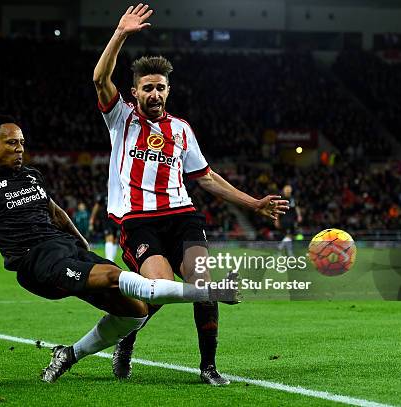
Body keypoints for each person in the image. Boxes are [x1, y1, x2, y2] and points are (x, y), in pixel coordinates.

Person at [0, 116, 229, 383]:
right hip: (35, 260)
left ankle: (68, 354)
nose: (20, 148)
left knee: (136, 311)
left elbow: (56, 213)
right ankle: (206, 291)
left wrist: (82, 247)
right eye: (12, 143)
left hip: (66, 249)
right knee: (115, 276)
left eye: (22, 143)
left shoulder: (32, 176)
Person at [93, 4, 289, 385]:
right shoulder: (121, 118)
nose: (154, 93)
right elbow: (100, 77)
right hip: (138, 222)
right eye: (147, 87)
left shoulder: (182, 130)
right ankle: (127, 338)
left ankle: (208, 367)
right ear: (135, 91)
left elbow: (208, 178)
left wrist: (255, 203)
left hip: (183, 216)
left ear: (168, 90)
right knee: (161, 289)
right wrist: (119, 34)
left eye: (160, 87)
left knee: (202, 282)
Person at [90, 193, 119, 261]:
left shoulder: (118, 193)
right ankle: (109, 260)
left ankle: (112, 260)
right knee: (109, 237)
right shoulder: (104, 194)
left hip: (117, 219)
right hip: (107, 219)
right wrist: (92, 219)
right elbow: (96, 206)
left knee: (115, 240)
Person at [275, 184, 302, 256]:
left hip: (292, 220)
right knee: (289, 236)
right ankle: (284, 249)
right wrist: (276, 220)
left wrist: (299, 215)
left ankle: (283, 248)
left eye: (289, 190)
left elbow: (296, 207)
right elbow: (277, 209)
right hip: (285, 220)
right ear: (284, 191)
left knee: (289, 236)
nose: (288, 191)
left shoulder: (293, 199)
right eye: (287, 190)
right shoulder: (281, 199)